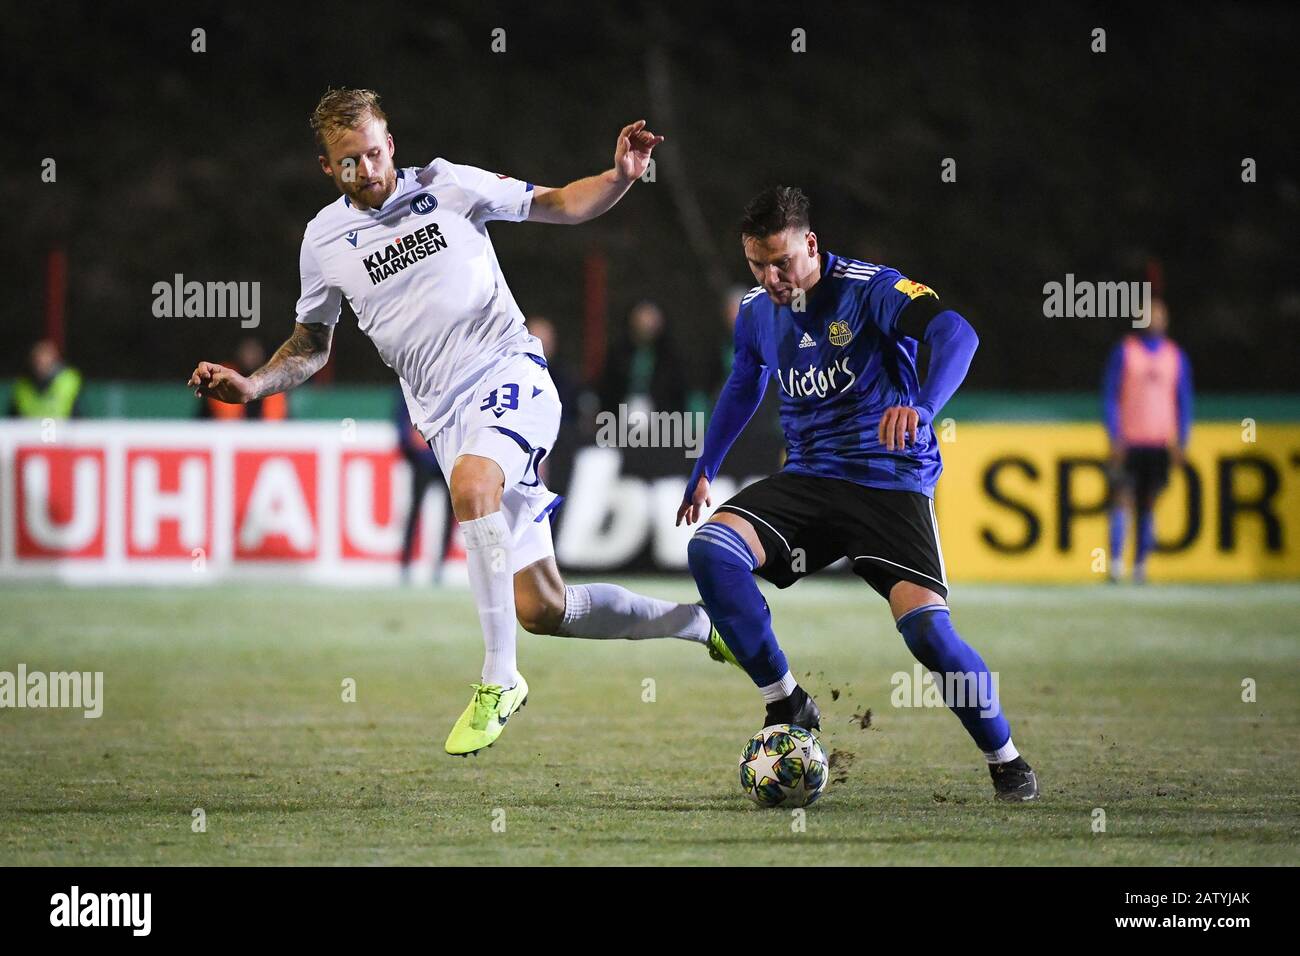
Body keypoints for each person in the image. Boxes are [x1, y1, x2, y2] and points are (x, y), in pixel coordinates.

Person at [188, 88, 730, 757]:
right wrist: (252, 382)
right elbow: (311, 344)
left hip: (511, 377)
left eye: (377, 151)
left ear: (392, 141)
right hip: (445, 422)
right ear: (327, 168)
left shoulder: (449, 185)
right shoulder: (324, 240)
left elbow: (559, 203)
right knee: (543, 609)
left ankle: (499, 680)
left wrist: (620, 175)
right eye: (350, 160)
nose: (370, 168)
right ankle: (699, 622)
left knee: (473, 487)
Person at [677, 186, 1039, 802]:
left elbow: (958, 334)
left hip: (888, 482)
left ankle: (1005, 758)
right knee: (711, 550)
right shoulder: (756, 310)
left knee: (927, 634)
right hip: (811, 479)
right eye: (757, 265)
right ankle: (786, 700)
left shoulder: (870, 288)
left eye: (781, 261)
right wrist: (707, 463)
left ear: (810, 244)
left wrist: (921, 406)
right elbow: (744, 382)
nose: (771, 277)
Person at [1102, 298, 1193, 584]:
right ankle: (1115, 564)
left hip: (1159, 443)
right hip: (1129, 441)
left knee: (1149, 502)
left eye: (1159, 315)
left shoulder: (1175, 356)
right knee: (1122, 499)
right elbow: (1110, 395)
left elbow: (1184, 400)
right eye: (1148, 315)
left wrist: (1182, 439)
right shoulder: (1125, 351)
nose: (1154, 320)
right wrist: (1115, 435)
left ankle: (1140, 565)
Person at [394, 386, 454, 583]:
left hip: (447, 460)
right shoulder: (412, 383)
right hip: (424, 460)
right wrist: (412, 447)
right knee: (414, 510)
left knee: (450, 514)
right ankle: (406, 563)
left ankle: (440, 565)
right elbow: (402, 420)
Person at [198, 338, 288, 420]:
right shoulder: (221, 378)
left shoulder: (271, 381)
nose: (250, 357)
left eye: (254, 352)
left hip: (265, 434)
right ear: (238, 353)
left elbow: (279, 421)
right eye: (246, 351)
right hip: (227, 433)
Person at [8, 340, 82, 418]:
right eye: (37, 360)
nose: (41, 364)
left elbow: (80, 417)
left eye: (45, 359)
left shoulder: (69, 380)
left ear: (54, 360)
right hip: (30, 429)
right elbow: (12, 420)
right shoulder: (22, 385)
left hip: (63, 429)